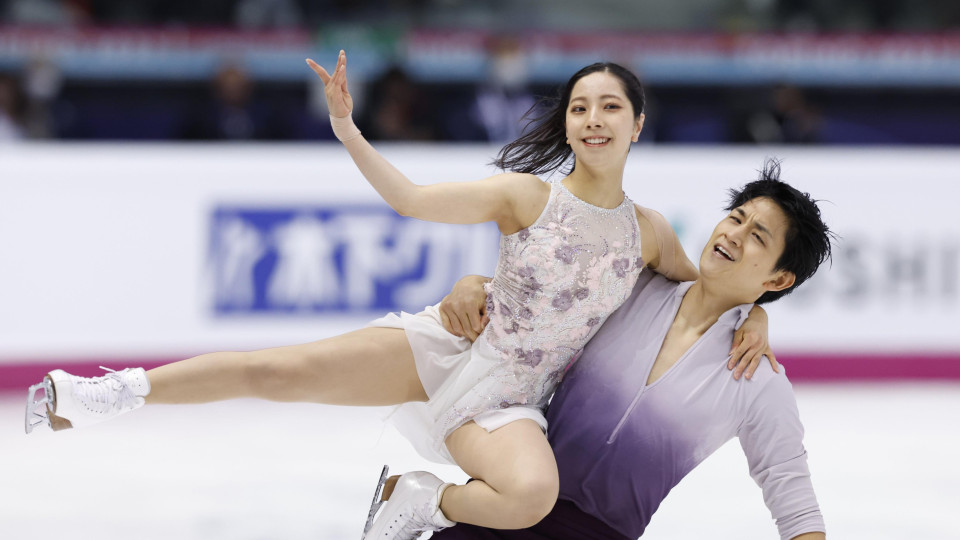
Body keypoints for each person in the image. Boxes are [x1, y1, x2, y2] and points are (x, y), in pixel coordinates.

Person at [23, 53, 772, 539]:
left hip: (511, 399)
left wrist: (759, 312)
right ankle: (109, 394)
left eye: (609, 107)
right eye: (580, 107)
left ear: (638, 124)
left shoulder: (648, 232)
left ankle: (418, 497)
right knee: (276, 370)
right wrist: (347, 129)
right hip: (452, 346)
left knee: (529, 497)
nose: (593, 120)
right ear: (567, 124)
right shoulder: (525, 195)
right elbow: (411, 199)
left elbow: (707, 286)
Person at [429, 161, 832, 540]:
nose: (734, 235)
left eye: (758, 236)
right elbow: (531, 298)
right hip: (502, 509)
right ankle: (424, 500)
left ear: (779, 279)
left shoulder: (758, 380)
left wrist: (756, 316)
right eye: (736, 218)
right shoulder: (628, 286)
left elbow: (795, 502)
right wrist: (473, 285)